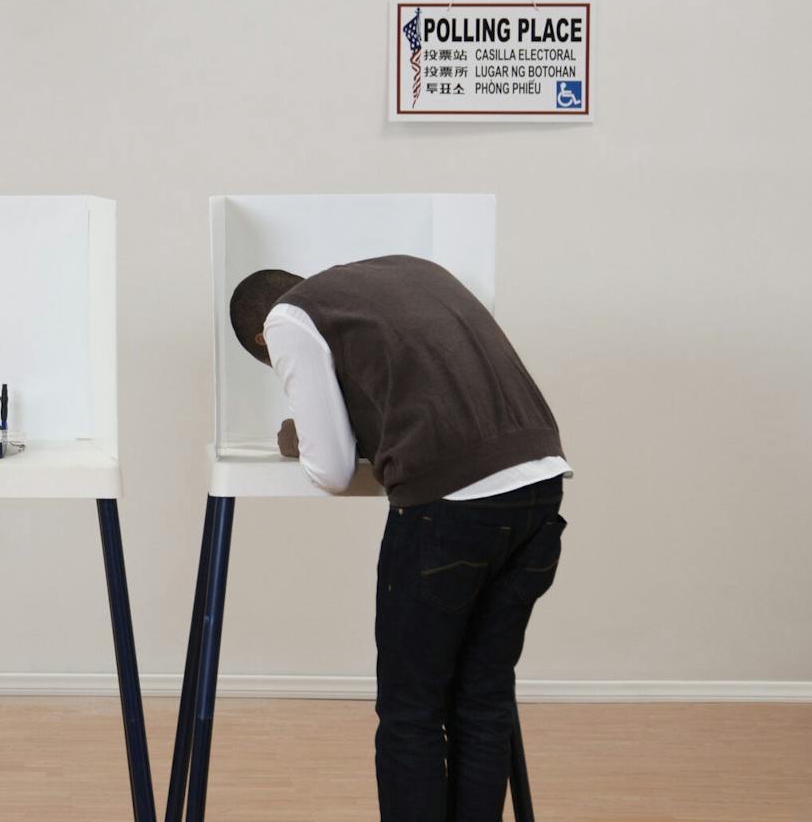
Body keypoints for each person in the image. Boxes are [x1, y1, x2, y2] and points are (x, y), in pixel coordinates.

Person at [229, 254, 570, 822]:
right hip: (541, 482)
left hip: (453, 508)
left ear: (263, 341)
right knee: (483, 699)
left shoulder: (288, 318)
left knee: (411, 711)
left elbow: (331, 470)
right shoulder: (412, 272)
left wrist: (298, 436)